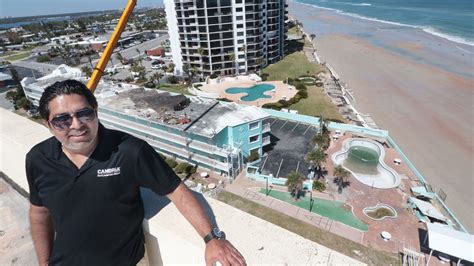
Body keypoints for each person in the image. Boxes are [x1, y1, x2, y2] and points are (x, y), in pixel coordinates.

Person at [26, 80, 246, 266]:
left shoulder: (130, 151)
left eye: (84, 114)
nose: (76, 125)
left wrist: (212, 238)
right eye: (62, 119)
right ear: (48, 124)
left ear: (96, 112)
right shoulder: (38, 159)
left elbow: (177, 191)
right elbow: (39, 213)